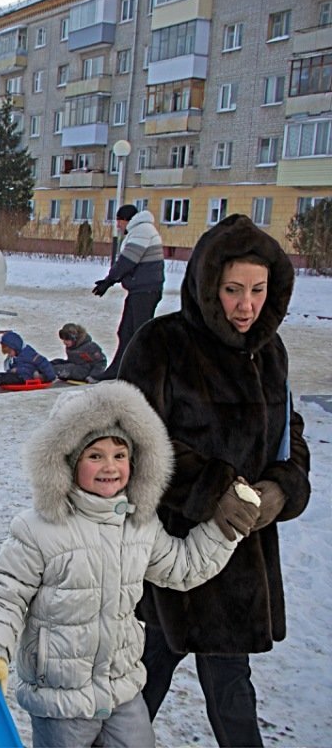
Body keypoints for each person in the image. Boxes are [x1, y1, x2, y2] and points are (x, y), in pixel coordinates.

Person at [0, 381, 261, 748]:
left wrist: (222, 529)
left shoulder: (140, 524)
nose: (110, 467)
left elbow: (183, 567)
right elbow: (3, 596)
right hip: (61, 701)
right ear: (68, 461)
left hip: (123, 689)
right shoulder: (38, 530)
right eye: (95, 456)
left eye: (120, 455)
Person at [118, 214, 312, 747]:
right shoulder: (161, 344)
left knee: (231, 689)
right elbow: (127, 439)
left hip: (239, 562)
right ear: (207, 286)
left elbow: (289, 437)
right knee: (143, 681)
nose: (246, 306)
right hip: (169, 554)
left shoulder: (270, 353)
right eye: (232, 290)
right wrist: (210, 489)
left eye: (257, 290)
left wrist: (280, 490)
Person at [92, 204, 164, 380]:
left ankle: (149, 372)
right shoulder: (142, 229)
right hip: (142, 290)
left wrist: (109, 281)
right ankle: (121, 370)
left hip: (145, 291)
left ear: (126, 220)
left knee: (139, 333)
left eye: (119, 221)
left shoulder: (142, 231)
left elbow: (127, 261)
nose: (118, 226)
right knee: (126, 331)